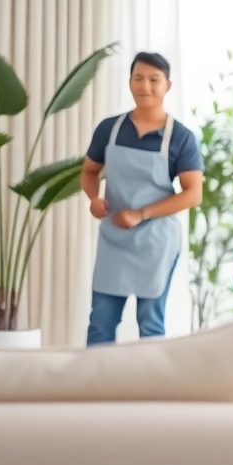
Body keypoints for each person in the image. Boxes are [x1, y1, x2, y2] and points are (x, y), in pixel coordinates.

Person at [82, 52, 203, 345]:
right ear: (129, 82)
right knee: (100, 322)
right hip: (114, 239)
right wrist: (94, 198)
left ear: (168, 85)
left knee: (150, 324)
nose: (145, 86)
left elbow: (192, 194)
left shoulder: (181, 138)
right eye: (138, 78)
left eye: (153, 79)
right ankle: (94, 388)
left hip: (156, 242)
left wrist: (142, 213)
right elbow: (89, 171)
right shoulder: (109, 129)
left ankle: (147, 390)